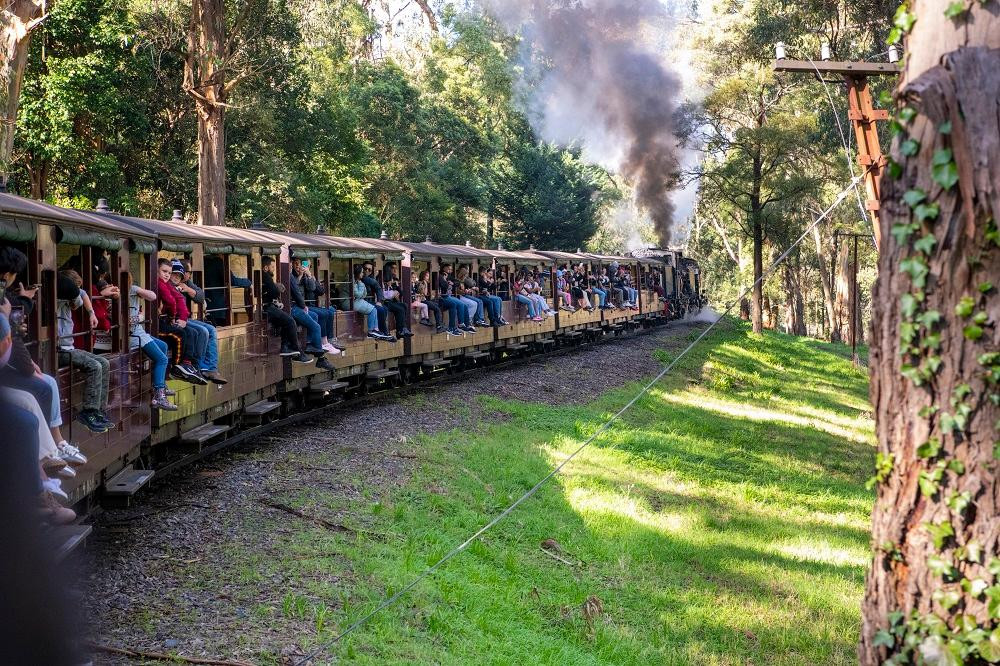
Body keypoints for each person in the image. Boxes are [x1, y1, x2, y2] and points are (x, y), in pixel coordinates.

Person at [0, 247, 88, 463]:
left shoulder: (5, 298)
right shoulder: (4, 302)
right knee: (41, 387)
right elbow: (12, 335)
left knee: (47, 381)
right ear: (8, 275)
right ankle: (45, 456)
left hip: (9, 365)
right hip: (6, 369)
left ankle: (54, 446)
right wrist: (28, 366)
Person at [56, 270, 115, 432]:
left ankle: (98, 411)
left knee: (103, 362)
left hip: (69, 347)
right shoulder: (55, 297)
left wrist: (91, 314)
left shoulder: (73, 294)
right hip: (58, 350)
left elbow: (83, 295)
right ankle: (88, 411)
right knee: (94, 366)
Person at [127, 274, 178, 411]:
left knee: (163, 346)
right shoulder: (131, 289)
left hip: (138, 332)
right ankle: (159, 395)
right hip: (134, 335)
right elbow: (153, 296)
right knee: (162, 359)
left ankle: (160, 384)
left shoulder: (125, 292)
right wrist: (137, 290)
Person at [172, 259, 227, 384]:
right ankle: (198, 365)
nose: (190, 275)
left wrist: (188, 290)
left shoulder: (187, 282)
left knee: (211, 329)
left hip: (184, 317)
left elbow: (201, 296)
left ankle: (211, 368)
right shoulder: (169, 285)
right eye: (189, 272)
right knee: (203, 331)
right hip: (178, 318)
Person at [155, 258, 207, 385]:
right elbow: (170, 301)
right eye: (164, 271)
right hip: (155, 325)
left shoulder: (166, 284)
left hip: (167, 320)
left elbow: (179, 299)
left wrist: (183, 318)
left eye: (169, 272)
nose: (167, 275)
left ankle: (191, 365)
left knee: (192, 332)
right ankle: (177, 367)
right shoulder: (159, 283)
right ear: (156, 270)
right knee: (181, 334)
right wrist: (173, 316)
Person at [260, 257, 313, 363]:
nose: (274, 269)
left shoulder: (266, 277)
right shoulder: (266, 276)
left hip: (268, 307)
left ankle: (286, 348)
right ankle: (296, 350)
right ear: (266, 268)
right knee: (290, 321)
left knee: (286, 320)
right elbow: (275, 292)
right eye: (272, 267)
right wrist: (276, 287)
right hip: (267, 308)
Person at [292, 258, 344, 352]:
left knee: (329, 312)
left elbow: (313, 288)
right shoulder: (292, 275)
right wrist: (300, 276)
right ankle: (322, 342)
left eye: (303, 265)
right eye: (296, 264)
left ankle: (329, 340)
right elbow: (295, 291)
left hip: (308, 304)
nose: (298, 266)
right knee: (321, 314)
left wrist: (309, 275)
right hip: (300, 305)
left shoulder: (308, 275)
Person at [366, 261, 412, 338]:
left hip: (390, 301)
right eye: (393, 268)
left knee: (404, 305)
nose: (395, 270)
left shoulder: (394, 279)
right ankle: (399, 331)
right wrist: (393, 293)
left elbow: (401, 294)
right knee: (398, 309)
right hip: (384, 302)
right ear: (388, 269)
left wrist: (396, 287)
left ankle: (403, 329)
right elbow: (383, 293)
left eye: (396, 269)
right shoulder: (380, 278)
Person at [352, 265, 395, 342]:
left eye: (370, 270)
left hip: (363, 301)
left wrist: (379, 300)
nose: (367, 271)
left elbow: (375, 288)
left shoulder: (363, 279)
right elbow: (359, 294)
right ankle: (377, 331)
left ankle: (380, 331)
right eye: (365, 269)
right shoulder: (359, 280)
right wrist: (361, 285)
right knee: (379, 309)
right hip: (356, 302)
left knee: (383, 308)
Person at [89, 253, 119, 351]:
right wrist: (102, 296)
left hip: (96, 339)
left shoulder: (97, 286)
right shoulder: (92, 289)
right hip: (97, 340)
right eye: (102, 276)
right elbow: (100, 315)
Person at [438, 264, 472, 334]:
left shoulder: (449, 276)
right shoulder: (440, 276)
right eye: (448, 269)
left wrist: (453, 283)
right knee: (454, 304)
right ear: (444, 268)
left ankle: (465, 324)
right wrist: (445, 280)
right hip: (442, 297)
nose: (450, 271)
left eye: (451, 269)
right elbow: (445, 285)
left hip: (449, 296)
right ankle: (452, 327)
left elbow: (458, 282)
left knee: (464, 305)